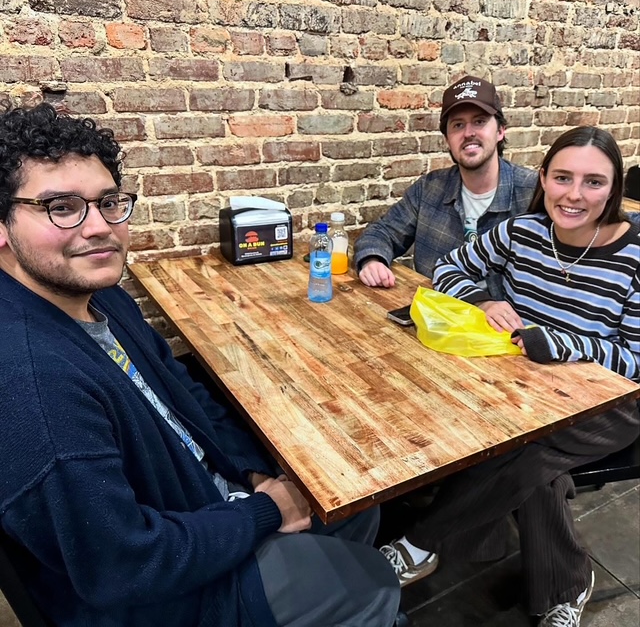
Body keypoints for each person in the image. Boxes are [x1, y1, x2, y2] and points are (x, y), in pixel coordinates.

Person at [0, 102, 401, 627]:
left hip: (204, 504)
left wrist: (251, 471)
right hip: (163, 596)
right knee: (373, 584)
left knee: (354, 505)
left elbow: (184, 393)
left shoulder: (101, 297)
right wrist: (264, 511)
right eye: (61, 207)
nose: (98, 227)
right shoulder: (33, 383)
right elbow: (123, 566)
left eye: (109, 202)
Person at [382, 126, 639, 627]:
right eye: (562, 178)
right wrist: (484, 299)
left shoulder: (634, 256)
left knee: (525, 449)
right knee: (540, 472)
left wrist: (562, 344)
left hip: (609, 408)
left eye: (593, 182)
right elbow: (449, 268)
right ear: (543, 179)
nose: (574, 194)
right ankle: (567, 585)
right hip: (525, 390)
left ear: (613, 189)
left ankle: (419, 543)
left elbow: (636, 358)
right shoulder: (523, 231)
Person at [354, 74, 538, 299]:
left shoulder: (533, 193)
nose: (468, 133)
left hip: (506, 320)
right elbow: (382, 232)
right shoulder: (430, 188)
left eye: (479, 121)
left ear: (500, 131)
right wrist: (372, 260)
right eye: (458, 125)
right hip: (437, 315)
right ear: (447, 140)